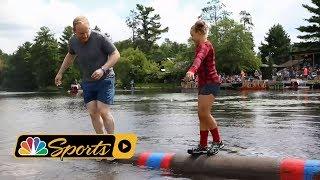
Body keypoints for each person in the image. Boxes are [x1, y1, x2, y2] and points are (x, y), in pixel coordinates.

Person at [55, 16, 120, 135]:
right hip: (88, 81)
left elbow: (116, 54)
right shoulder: (73, 41)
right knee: (93, 112)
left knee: (103, 110)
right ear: (74, 31)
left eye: (86, 32)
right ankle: (101, 141)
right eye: (81, 33)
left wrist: (102, 69)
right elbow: (70, 56)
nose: (85, 35)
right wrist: (60, 72)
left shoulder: (100, 37)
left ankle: (111, 140)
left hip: (105, 78)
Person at [185, 20, 224, 156]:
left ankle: (218, 141)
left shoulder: (205, 46)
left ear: (199, 33)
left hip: (211, 83)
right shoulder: (199, 46)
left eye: (193, 35)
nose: (191, 38)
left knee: (204, 114)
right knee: (201, 115)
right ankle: (203, 145)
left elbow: (199, 59)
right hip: (204, 84)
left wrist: (192, 70)